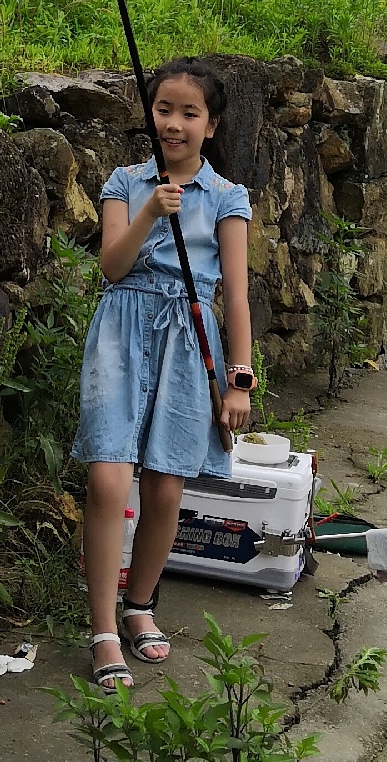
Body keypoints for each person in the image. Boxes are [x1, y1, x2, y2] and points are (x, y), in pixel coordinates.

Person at [72, 58, 256, 691]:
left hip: (190, 341)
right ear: (148, 115)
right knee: (106, 479)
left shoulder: (228, 197)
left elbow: (236, 297)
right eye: (163, 110)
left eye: (189, 113)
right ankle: (101, 631)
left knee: (167, 490)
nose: (173, 123)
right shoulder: (125, 183)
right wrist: (150, 210)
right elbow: (111, 268)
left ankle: (139, 605)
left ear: (211, 125)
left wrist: (239, 379)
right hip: (122, 334)